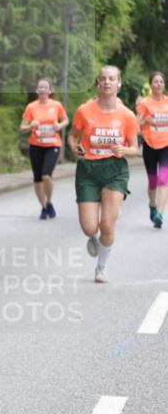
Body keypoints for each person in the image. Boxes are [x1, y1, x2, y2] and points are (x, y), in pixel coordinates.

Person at [67, 65, 139, 284]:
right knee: (89, 227)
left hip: (115, 170)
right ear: (98, 83)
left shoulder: (127, 116)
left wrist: (124, 150)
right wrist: (75, 149)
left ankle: (101, 268)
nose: (107, 82)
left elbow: (135, 148)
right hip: (88, 170)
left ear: (119, 83)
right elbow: (72, 136)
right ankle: (93, 236)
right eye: (103, 79)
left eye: (111, 79)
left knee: (107, 223)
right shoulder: (84, 111)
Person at [19, 78, 68, 219]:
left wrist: (59, 126)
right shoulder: (31, 107)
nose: (43, 90)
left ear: (50, 91)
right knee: (37, 179)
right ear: (36, 90)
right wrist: (30, 126)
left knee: (46, 175)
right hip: (36, 145)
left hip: (52, 144)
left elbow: (66, 120)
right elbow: (22, 127)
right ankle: (44, 207)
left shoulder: (56, 105)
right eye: (40, 87)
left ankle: (49, 201)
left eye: (46, 87)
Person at [136, 70, 168, 229]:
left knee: (163, 179)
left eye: (161, 82)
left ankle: (159, 215)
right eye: (155, 82)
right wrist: (146, 120)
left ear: (164, 84)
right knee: (153, 182)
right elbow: (136, 125)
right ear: (151, 85)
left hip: (166, 146)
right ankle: (152, 205)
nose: (158, 84)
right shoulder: (144, 103)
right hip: (149, 145)